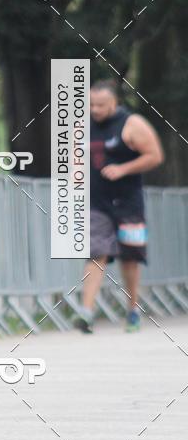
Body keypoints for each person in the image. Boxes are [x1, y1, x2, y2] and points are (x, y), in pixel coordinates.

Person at [76, 80, 164, 334]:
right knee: (95, 254)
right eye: (91, 104)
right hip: (96, 204)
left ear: (115, 103)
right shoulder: (82, 127)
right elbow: (74, 160)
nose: (95, 109)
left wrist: (123, 169)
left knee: (129, 258)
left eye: (101, 105)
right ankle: (87, 312)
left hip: (129, 204)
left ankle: (132, 309)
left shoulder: (132, 124)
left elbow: (155, 156)